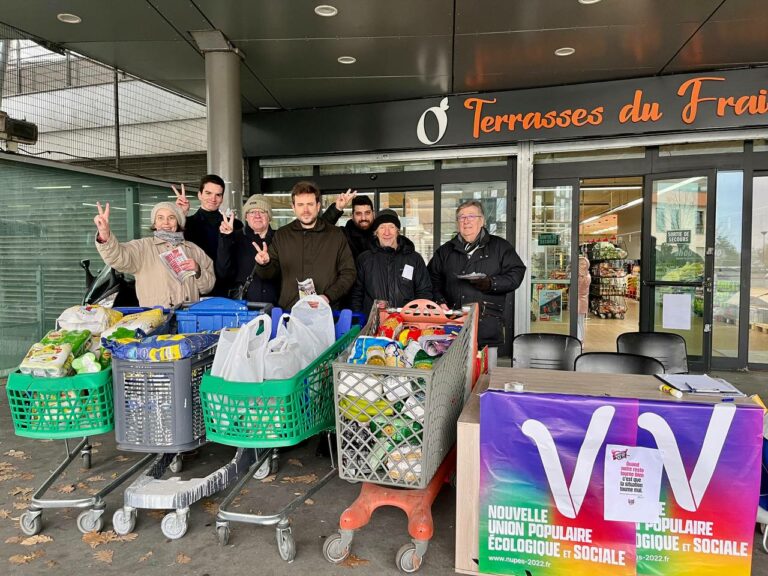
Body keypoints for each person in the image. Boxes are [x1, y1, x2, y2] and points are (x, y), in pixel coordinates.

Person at [428, 199, 526, 367]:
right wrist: (440, 302)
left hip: (487, 324)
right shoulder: (445, 251)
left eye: (471, 216)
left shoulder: (500, 247)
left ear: (482, 221)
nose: (466, 221)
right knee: (454, 375)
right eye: (462, 217)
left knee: (486, 376)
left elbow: (516, 274)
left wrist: (491, 283)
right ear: (457, 222)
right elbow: (431, 279)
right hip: (452, 325)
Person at [253, 181, 356, 310]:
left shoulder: (336, 235)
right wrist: (264, 264)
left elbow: (349, 273)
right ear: (293, 207)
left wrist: (328, 297)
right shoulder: (282, 235)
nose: (305, 210)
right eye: (300, 205)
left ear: (318, 206)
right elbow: (268, 275)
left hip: (326, 311)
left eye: (310, 204)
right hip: (290, 312)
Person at [93, 201, 214, 308]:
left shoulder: (193, 249)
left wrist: (198, 270)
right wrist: (104, 234)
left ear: (178, 222)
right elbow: (118, 258)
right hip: (156, 321)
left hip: (188, 319)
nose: (166, 222)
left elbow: (208, 287)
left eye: (171, 217)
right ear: (154, 223)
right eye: (160, 218)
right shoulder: (143, 247)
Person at [350, 209, 432, 314]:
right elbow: (357, 294)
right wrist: (359, 321)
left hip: (406, 323)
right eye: (382, 227)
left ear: (397, 231)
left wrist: (416, 316)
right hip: (373, 323)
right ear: (376, 232)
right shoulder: (364, 259)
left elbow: (424, 292)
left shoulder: (414, 258)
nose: (387, 232)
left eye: (391, 227)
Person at [174, 174, 242, 296]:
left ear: (222, 198)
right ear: (199, 195)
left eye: (218, 195)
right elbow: (171, 247)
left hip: (227, 290)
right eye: (208, 193)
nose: (213, 198)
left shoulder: (235, 225)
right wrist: (181, 215)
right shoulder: (186, 224)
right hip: (195, 287)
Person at [217, 195, 279, 305]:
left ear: (269, 216)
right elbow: (223, 271)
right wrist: (226, 238)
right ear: (246, 217)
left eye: (262, 212)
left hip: (276, 307)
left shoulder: (279, 238)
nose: (257, 216)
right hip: (244, 308)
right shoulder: (235, 237)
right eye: (252, 212)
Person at [323, 192, 375, 260]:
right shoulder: (343, 235)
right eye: (358, 214)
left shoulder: (382, 234)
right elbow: (320, 230)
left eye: (367, 213)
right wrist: (337, 208)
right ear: (352, 216)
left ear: (373, 214)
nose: (363, 218)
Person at [576, 255, 591, 341]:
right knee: (578, 321)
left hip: (581, 301)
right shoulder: (581, 275)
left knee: (579, 321)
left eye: (583, 264)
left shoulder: (585, 276)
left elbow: (580, 288)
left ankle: (580, 339)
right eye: (580, 263)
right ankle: (579, 338)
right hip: (578, 300)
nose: (581, 265)